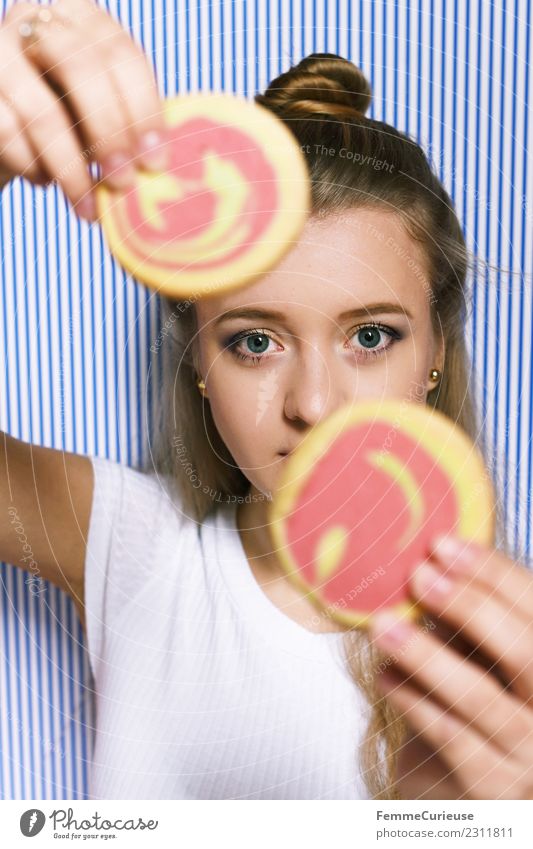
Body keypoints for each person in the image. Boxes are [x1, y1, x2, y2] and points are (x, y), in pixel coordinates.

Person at [1, 0, 532, 802]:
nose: (314, 405)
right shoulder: (136, 549)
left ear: (435, 356)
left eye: (370, 336)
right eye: (255, 341)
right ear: (201, 364)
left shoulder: (508, 650)